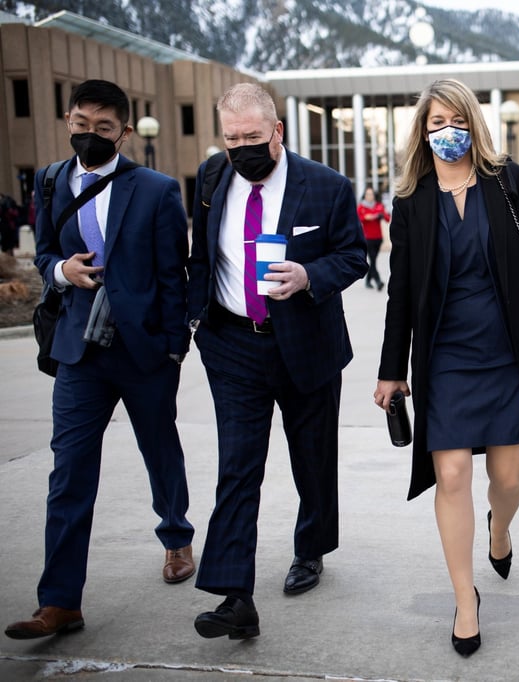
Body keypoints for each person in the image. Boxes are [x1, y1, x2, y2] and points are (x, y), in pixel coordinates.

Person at [374, 78, 519, 657]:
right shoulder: (412, 200)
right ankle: (466, 598)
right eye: (436, 122)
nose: (447, 131)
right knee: (453, 474)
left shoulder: (508, 182)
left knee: (508, 477)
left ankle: (499, 528)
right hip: (446, 359)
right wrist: (391, 368)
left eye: (456, 120)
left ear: (474, 124)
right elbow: (400, 290)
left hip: (509, 351)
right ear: (423, 132)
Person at [5, 79, 195, 639]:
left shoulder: (156, 189)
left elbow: (173, 274)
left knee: (159, 449)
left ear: (124, 132)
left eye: (104, 128)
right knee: (68, 471)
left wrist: (174, 346)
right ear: (69, 121)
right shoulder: (50, 181)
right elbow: (44, 253)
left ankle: (176, 536)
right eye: (81, 124)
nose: (90, 134)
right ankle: (60, 601)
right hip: (78, 351)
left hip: (143, 350)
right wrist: (61, 271)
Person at [186, 83, 367, 640]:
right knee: (238, 466)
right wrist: (196, 322)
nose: (241, 148)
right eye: (231, 138)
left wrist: (310, 275)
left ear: (277, 131)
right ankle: (234, 595)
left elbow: (353, 256)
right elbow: (201, 255)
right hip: (232, 345)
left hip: (307, 343)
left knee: (312, 458)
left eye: (252, 136)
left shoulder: (327, 186)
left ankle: (311, 548)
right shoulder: (212, 178)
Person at [357, 186, 390, 290]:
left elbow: (387, 218)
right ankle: (378, 281)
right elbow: (361, 218)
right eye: (367, 194)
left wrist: (382, 215)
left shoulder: (379, 206)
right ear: (364, 195)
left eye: (371, 194)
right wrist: (373, 216)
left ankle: (368, 281)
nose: (370, 196)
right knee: (373, 259)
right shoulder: (361, 207)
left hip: (378, 238)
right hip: (368, 239)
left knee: (373, 260)